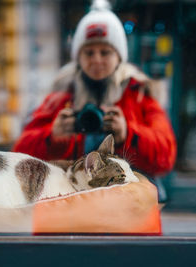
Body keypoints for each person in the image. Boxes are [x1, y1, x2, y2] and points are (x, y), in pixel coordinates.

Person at [12, 0, 176, 177]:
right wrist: (52, 137)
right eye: (89, 53)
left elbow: (165, 157)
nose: (96, 59)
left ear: (118, 57)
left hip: (127, 201)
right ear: (78, 57)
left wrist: (128, 134)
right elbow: (19, 155)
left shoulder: (139, 95)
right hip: (75, 199)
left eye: (105, 52)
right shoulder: (60, 98)